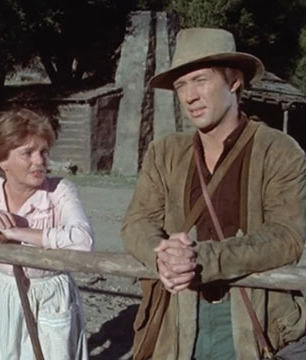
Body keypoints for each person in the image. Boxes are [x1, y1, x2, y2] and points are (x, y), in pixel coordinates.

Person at [122, 28, 306, 359]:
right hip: (176, 317)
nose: (189, 95)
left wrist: (202, 259)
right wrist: (161, 253)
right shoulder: (164, 152)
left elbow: (287, 236)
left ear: (234, 81)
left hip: (252, 317)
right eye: (181, 85)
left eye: (201, 80)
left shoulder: (278, 150)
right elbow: (137, 222)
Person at [0, 108, 94, 359]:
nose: (39, 161)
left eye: (43, 152)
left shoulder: (60, 191)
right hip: (2, 293)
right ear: (2, 159)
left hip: (49, 293)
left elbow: (83, 240)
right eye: (27, 153)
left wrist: (18, 233)